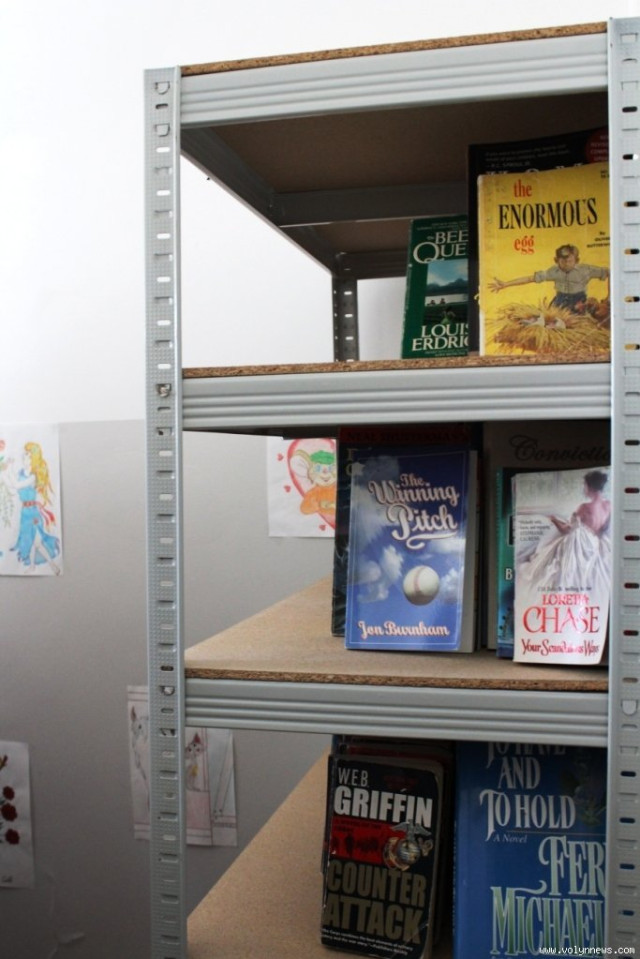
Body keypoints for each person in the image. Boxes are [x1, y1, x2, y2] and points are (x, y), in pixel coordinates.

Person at [521, 469, 610, 592]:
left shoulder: (584, 507)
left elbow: (566, 530)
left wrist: (553, 520)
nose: (584, 488)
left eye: (584, 485)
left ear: (589, 487)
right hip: (595, 542)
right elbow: (602, 527)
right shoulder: (608, 505)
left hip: (583, 544)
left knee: (552, 553)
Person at [489, 244, 609, 314]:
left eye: (570, 261)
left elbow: (609, 272)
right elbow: (530, 278)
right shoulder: (553, 271)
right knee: (549, 323)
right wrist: (505, 284)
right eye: (563, 261)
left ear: (576, 260)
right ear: (556, 260)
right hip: (560, 301)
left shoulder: (586, 270)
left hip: (579, 301)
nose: (566, 264)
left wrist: (609, 297)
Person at [11, 441, 61, 573]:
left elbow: (16, 485)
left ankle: (52, 565)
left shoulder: (33, 476)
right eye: (25, 454)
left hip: (33, 512)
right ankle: (33, 566)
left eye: (28, 455)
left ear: (33, 458)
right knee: (32, 540)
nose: (25, 457)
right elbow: (13, 485)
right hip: (24, 512)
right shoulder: (21, 472)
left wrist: (8, 469)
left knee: (37, 541)